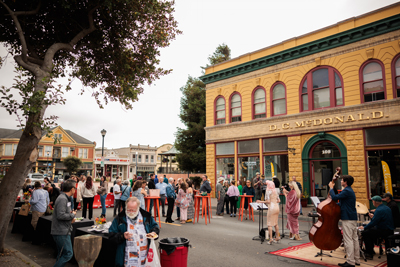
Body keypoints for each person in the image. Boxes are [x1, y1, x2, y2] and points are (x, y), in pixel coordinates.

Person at [109, 197, 160, 267]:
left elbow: (155, 227)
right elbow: (111, 235)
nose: (131, 212)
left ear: (138, 208)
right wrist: (122, 236)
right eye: (129, 210)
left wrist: (154, 232)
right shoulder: (119, 218)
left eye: (133, 210)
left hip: (144, 257)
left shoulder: (146, 216)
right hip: (126, 259)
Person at [328, 174, 359, 267]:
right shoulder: (349, 190)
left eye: (342, 180)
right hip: (352, 217)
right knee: (354, 239)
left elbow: (334, 197)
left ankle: (350, 262)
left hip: (348, 218)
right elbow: (341, 202)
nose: (341, 181)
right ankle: (356, 260)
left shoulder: (347, 190)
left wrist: (331, 188)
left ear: (345, 182)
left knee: (348, 240)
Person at [359, 195, 394, 260]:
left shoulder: (379, 210)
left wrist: (364, 227)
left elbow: (373, 223)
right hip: (390, 229)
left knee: (365, 233)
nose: (372, 203)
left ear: (375, 202)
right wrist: (374, 217)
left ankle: (369, 253)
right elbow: (381, 219)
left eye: (372, 201)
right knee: (370, 231)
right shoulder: (386, 208)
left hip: (383, 230)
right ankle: (371, 249)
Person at [51, 179, 77, 267]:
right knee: (68, 253)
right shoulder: (63, 198)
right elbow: (60, 215)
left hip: (62, 230)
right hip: (61, 231)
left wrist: (70, 216)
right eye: (75, 188)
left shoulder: (65, 198)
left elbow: (63, 213)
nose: (75, 190)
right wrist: (72, 215)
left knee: (61, 254)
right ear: (72, 189)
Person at [257, 180, 280, 244]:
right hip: (277, 207)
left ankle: (271, 239)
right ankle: (277, 237)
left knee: (269, 224)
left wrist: (260, 201)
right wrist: (274, 201)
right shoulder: (275, 191)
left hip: (271, 208)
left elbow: (268, 201)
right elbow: (279, 200)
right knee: (276, 223)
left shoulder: (268, 191)